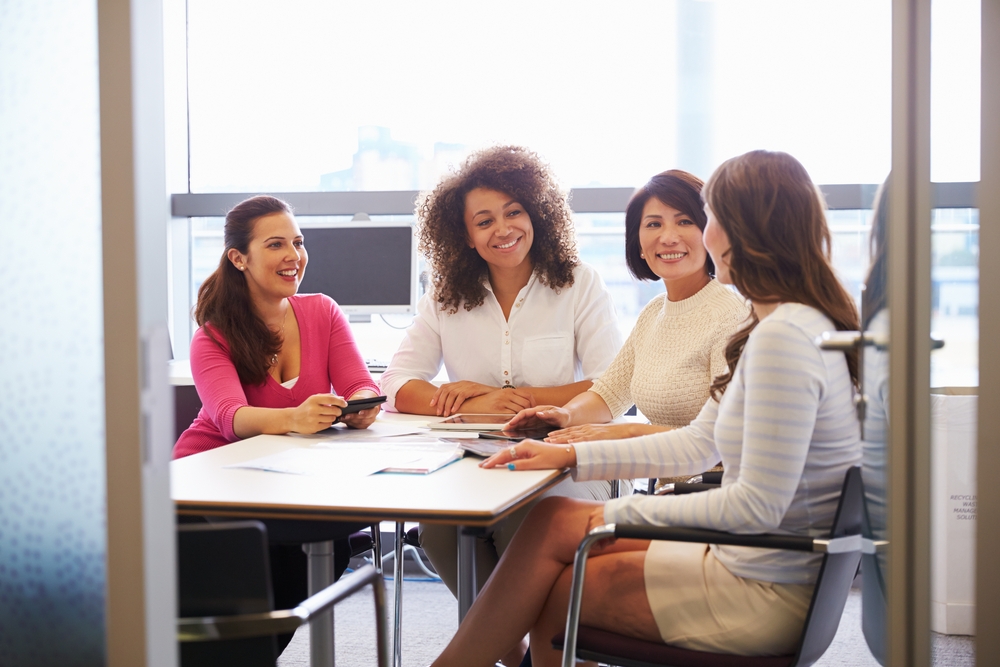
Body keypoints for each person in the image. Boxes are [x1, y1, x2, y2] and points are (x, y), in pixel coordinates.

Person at [429, 150, 863, 667]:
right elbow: (700, 442)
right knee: (552, 521)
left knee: (560, 572)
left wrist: (607, 514)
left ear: (742, 230)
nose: (698, 232)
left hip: (761, 587)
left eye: (706, 217)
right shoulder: (778, 325)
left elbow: (754, 508)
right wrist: (569, 455)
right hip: (757, 561)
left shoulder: (781, 337)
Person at [379, 145, 623, 667]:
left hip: (564, 456)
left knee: (524, 520)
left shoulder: (579, 283)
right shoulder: (446, 294)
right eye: (484, 220)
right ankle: (514, 655)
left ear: (536, 213)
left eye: (514, 212)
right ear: (465, 235)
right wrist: (470, 401)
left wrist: (522, 401)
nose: (503, 228)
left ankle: (553, 653)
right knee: (439, 531)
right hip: (474, 459)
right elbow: (397, 382)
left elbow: (611, 386)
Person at [506, 170, 749, 449]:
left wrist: (628, 433)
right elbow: (609, 394)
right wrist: (565, 415)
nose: (668, 237)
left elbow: (727, 436)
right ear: (639, 245)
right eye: (654, 224)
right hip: (662, 474)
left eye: (685, 221)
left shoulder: (731, 316)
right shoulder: (654, 312)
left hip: (710, 476)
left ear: (710, 234)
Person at [173, 195, 381, 460]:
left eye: (298, 243)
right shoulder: (211, 337)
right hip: (209, 463)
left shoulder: (324, 311)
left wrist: (361, 407)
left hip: (283, 465)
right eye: (275, 245)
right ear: (238, 258)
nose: (294, 256)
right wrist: (295, 418)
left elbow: (360, 385)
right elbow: (230, 417)